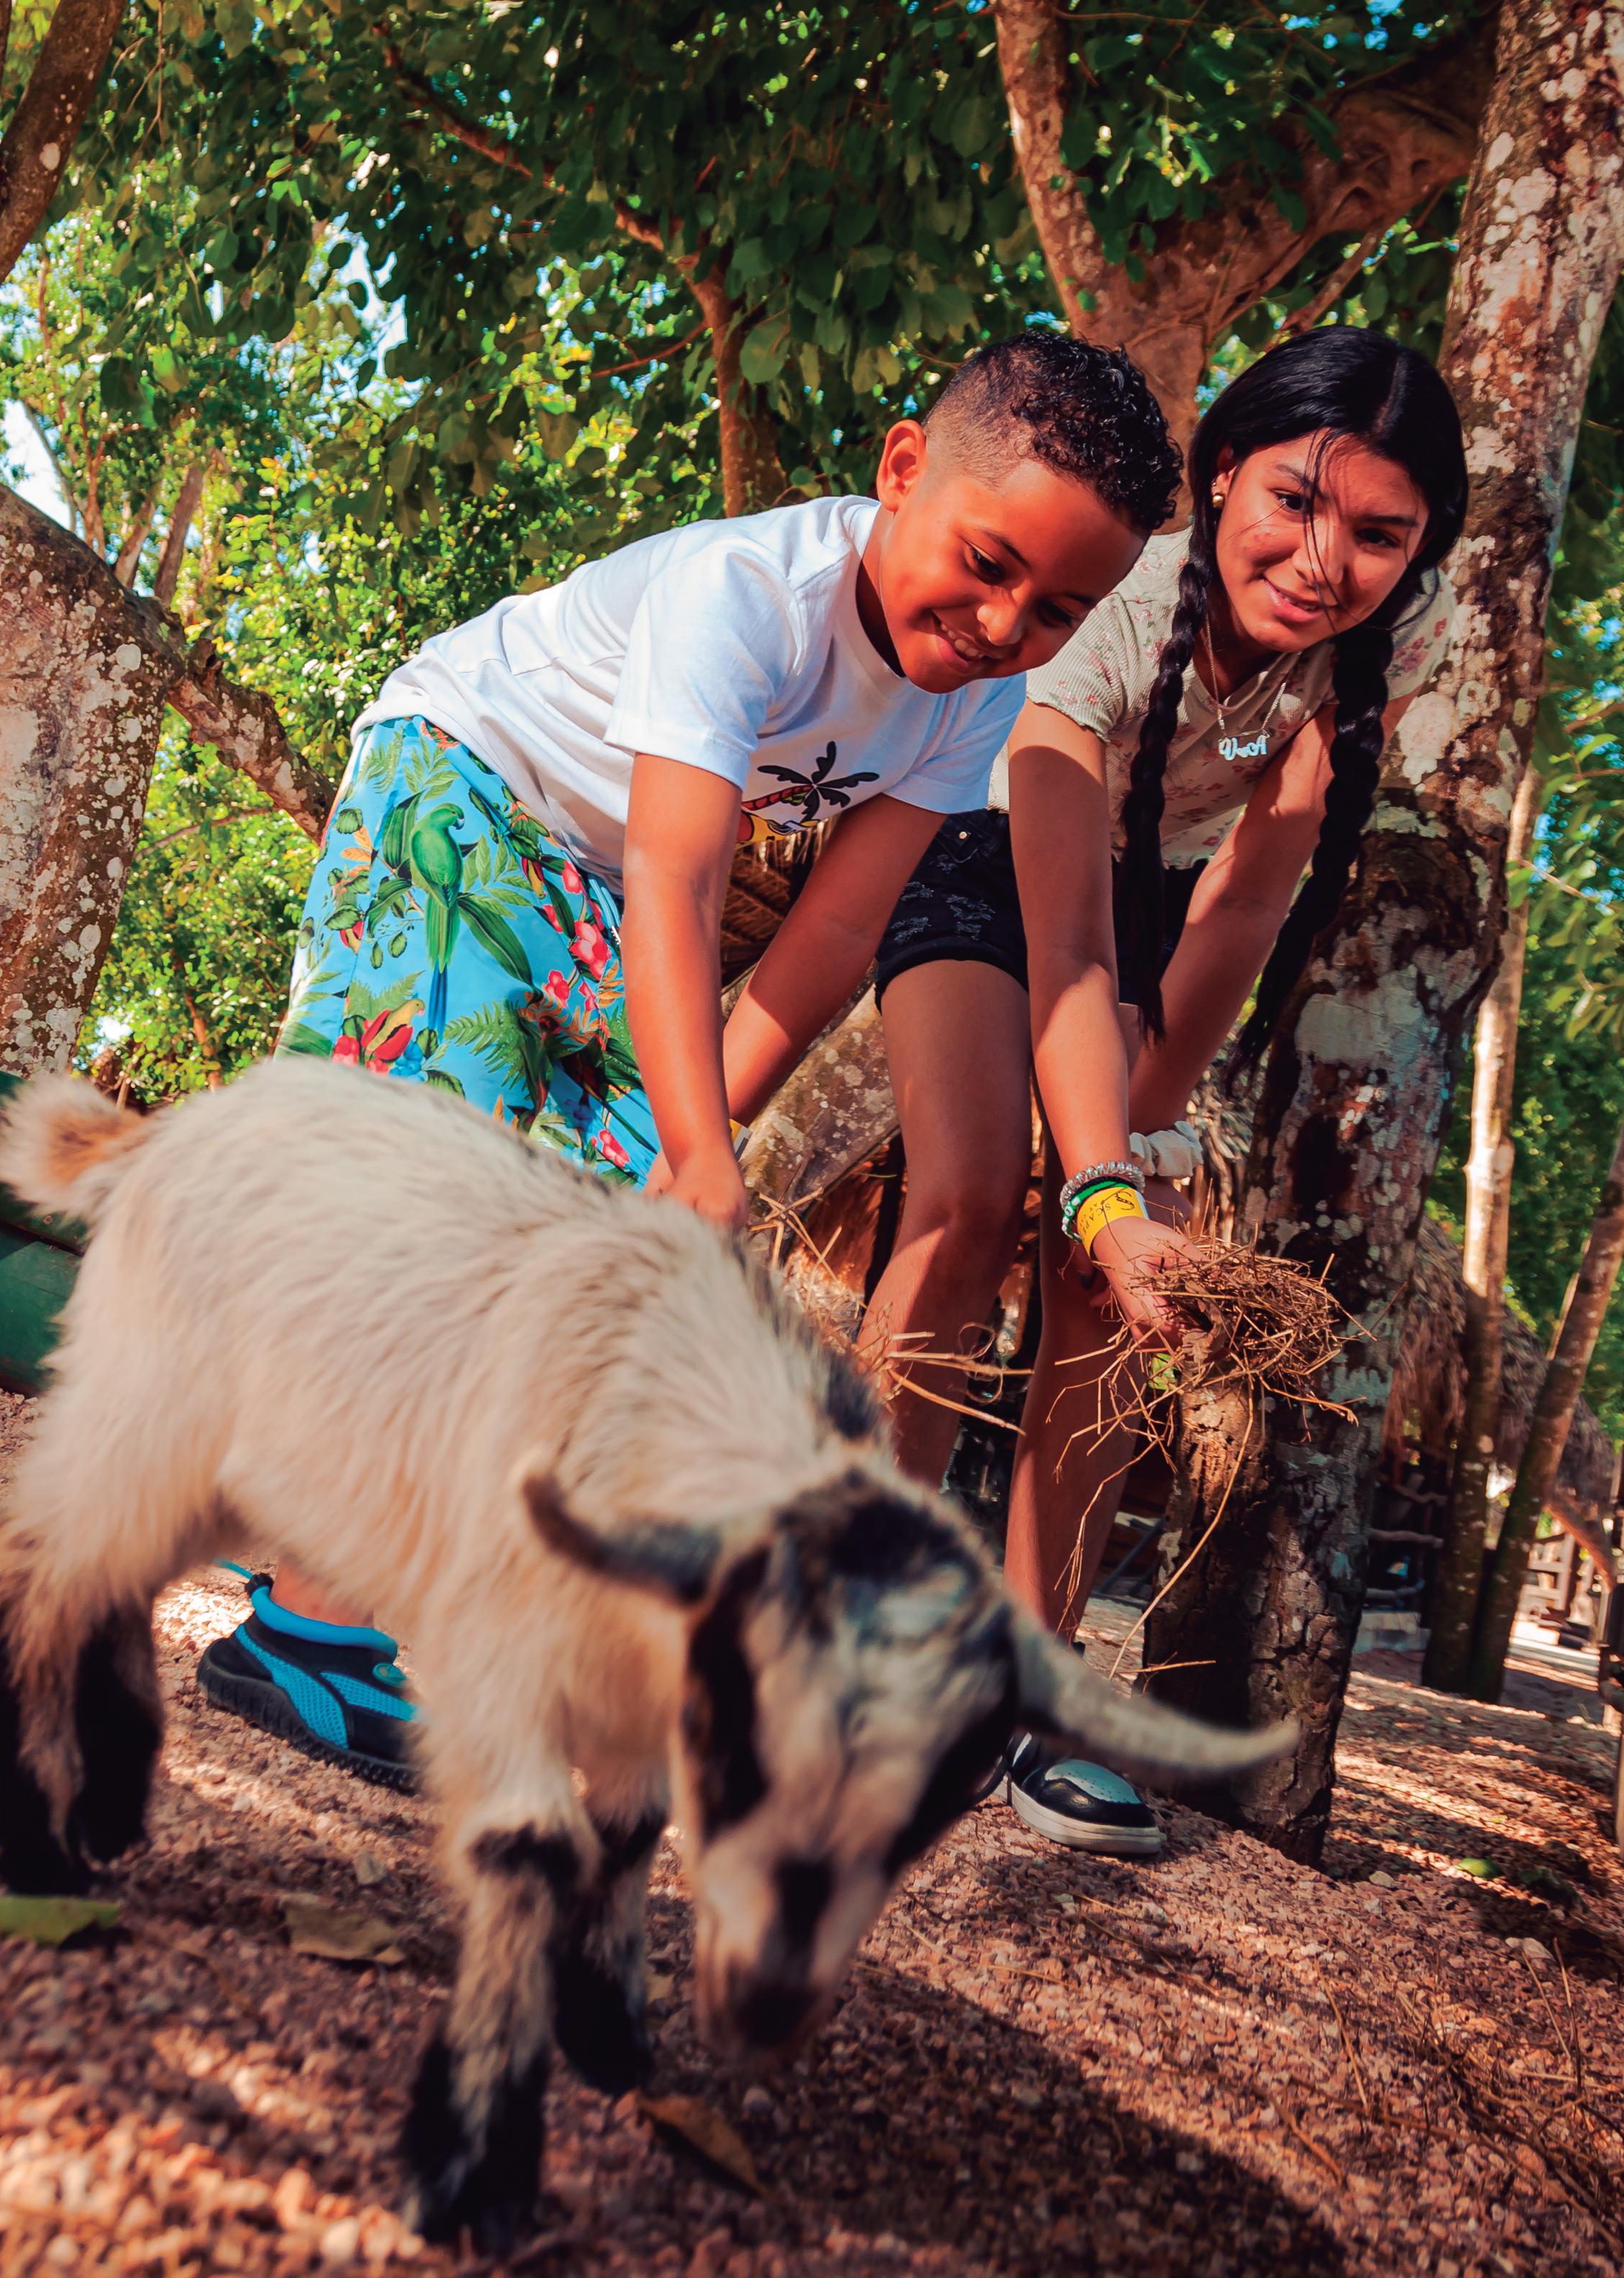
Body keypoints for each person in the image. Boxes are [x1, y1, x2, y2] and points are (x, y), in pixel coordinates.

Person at [195, 332, 1184, 1784]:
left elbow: (836, 929)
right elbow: (681, 876)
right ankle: (308, 1636)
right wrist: (701, 1154)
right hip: (464, 780)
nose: (1001, 623)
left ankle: (368, 1577)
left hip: (593, 879)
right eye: (986, 564)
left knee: (594, 1229)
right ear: (901, 467)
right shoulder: (747, 596)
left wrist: (683, 1147)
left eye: (1057, 609)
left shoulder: (971, 703)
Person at [859, 327, 1468, 1854]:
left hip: (1143, 924)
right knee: (967, 1197)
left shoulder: (1370, 657)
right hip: (976, 862)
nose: (1323, 561)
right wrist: (1094, 1179)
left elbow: (1242, 907)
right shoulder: (1119, 605)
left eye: (1378, 533)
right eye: (1293, 503)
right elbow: (1060, 936)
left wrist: (1131, 1162)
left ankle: (1030, 1695)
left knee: (1130, 1287)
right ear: (1221, 478)